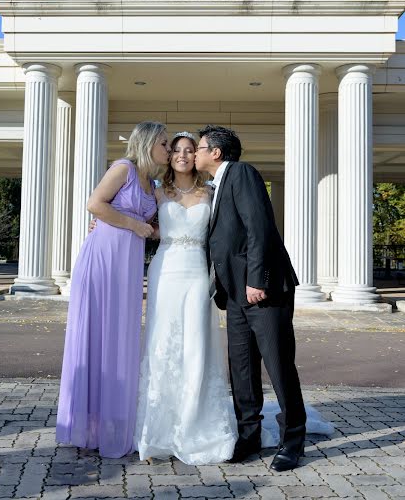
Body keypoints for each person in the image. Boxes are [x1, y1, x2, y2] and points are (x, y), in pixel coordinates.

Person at [195, 125, 306, 471]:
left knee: (278, 365)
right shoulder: (214, 186)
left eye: (199, 148)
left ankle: (293, 441)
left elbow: (260, 227)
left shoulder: (241, 173)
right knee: (241, 368)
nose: (195, 154)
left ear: (216, 152)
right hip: (234, 296)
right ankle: (249, 435)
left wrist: (258, 279)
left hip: (263, 291)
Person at [56, 121, 170, 458]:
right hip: (102, 259)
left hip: (129, 266)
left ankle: (113, 421)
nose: (167, 148)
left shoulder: (153, 185)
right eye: (164, 143)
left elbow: (160, 226)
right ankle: (86, 426)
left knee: (119, 339)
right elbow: (95, 204)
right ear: (148, 143)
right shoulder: (124, 169)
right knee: (95, 335)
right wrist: (137, 225)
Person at [134, 132, 238, 465]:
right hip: (164, 272)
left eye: (189, 150)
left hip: (196, 273)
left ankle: (195, 428)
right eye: (175, 150)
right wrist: (100, 226)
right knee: (162, 345)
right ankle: (157, 435)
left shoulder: (211, 192)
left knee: (195, 345)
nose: (181, 155)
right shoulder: (155, 190)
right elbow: (135, 218)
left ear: (197, 156)